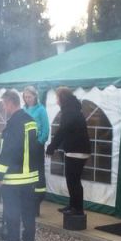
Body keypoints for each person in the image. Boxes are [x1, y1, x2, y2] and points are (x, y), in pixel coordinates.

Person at [0, 90, 39, 241]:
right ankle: (29, 240)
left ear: (9, 103)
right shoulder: (31, 121)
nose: (3, 108)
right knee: (28, 211)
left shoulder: (13, 123)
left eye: (4, 104)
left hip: (14, 177)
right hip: (30, 176)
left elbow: (8, 151)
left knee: (12, 212)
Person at [45, 86, 91, 216]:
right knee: (73, 180)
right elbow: (65, 130)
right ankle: (73, 205)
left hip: (76, 150)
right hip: (78, 150)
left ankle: (77, 209)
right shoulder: (72, 109)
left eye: (57, 98)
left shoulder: (69, 111)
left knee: (73, 180)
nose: (56, 101)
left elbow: (62, 130)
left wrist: (52, 146)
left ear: (62, 98)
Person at [22, 86, 49, 214]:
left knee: (38, 172)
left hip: (36, 146)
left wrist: (39, 142)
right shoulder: (23, 109)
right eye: (25, 97)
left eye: (30, 96)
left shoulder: (41, 110)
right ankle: (27, 202)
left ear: (35, 96)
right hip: (24, 146)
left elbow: (46, 129)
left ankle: (37, 201)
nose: (28, 99)